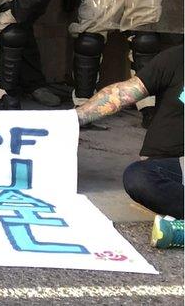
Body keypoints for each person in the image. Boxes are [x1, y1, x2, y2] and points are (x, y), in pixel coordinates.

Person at [75, 44, 183, 248]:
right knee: (138, 178)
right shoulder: (177, 58)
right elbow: (122, 93)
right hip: (171, 164)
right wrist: (72, 118)